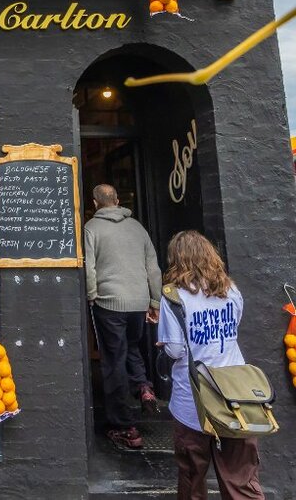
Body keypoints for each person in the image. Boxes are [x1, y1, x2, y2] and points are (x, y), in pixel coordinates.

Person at [158, 230, 262, 499]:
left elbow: (176, 350)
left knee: (193, 475)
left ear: (176, 259)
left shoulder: (173, 297)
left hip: (193, 399)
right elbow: (232, 330)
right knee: (241, 477)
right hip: (235, 397)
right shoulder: (231, 290)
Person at [84, 183, 162, 449]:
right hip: (138, 302)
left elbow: (89, 266)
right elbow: (152, 266)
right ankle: (143, 386)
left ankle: (124, 426)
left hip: (109, 303)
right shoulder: (138, 227)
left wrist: (92, 294)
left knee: (113, 360)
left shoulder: (92, 228)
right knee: (131, 347)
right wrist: (155, 301)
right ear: (117, 200)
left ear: (95, 203)